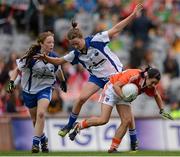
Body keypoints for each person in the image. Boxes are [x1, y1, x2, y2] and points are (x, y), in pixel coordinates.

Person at [34, 4, 143, 151]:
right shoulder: (76, 54)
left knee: (127, 115)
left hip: (117, 77)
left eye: (77, 43)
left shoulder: (97, 40)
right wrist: (46, 58)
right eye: (73, 45)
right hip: (98, 78)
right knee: (80, 99)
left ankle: (134, 140)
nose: (76, 47)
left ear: (81, 37)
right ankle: (69, 124)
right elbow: (60, 61)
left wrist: (133, 14)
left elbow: (116, 28)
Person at [68, 66, 173, 153]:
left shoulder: (149, 85)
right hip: (112, 89)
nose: (153, 85)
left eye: (156, 83)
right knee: (103, 120)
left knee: (126, 120)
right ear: (147, 76)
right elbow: (116, 86)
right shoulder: (133, 75)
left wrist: (162, 110)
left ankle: (113, 148)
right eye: (153, 82)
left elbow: (156, 95)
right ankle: (79, 125)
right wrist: (123, 97)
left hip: (124, 94)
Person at [6, 31, 67, 153]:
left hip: (45, 89)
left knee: (41, 114)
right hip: (29, 91)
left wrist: (63, 81)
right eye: (49, 42)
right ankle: (43, 139)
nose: (51, 45)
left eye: (53, 42)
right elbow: (17, 70)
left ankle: (35, 144)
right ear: (41, 44)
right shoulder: (31, 57)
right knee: (35, 120)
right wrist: (12, 82)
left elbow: (59, 71)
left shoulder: (54, 57)